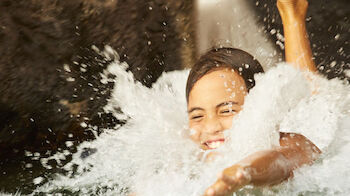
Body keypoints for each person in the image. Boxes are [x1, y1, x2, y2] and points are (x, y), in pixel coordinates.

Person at [186, 0, 321, 195]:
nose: (211, 127)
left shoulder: (290, 142)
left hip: (317, 130)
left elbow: (280, 161)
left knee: (315, 106)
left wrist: (245, 171)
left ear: (257, 104)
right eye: (197, 116)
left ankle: (292, 16)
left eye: (227, 111)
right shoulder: (191, 154)